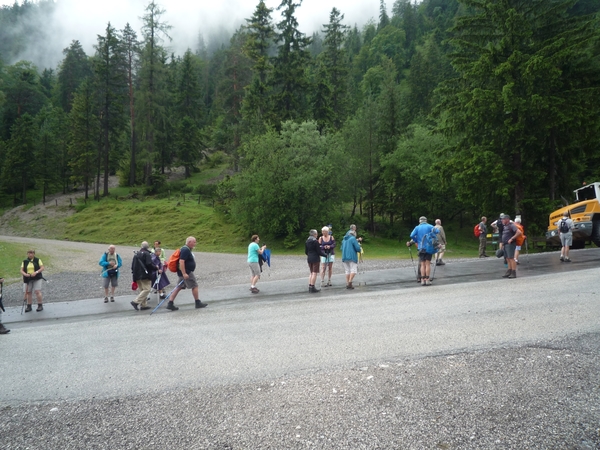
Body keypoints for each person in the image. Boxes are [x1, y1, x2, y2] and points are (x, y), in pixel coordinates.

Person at [166, 236, 208, 310]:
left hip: (183, 272)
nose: (195, 244)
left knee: (178, 287)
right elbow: (181, 261)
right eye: (194, 242)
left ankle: (170, 303)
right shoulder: (185, 250)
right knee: (194, 285)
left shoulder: (185, 249)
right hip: (186, 272)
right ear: (189, 242)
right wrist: (184, 273)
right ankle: (197, 302)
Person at [407, 216, 440, 286]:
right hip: (428, 248)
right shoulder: (430, 226)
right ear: (426, 220)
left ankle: (422, 280)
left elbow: (411, 235)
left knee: (422, 264)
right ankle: (427, 280)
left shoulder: (417, 227)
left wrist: (416, 240)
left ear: (420, 221)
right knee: (427, 264)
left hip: (420, 248)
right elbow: (437, 231)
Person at [130, 241, 156, 311]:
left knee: (142, 289)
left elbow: (133, 266)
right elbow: (149, 264)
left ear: (141, 246)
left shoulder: (136, 254)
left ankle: (144, 305)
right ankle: (135, 302)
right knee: (147, 289)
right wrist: (155, 267)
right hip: (145, 274)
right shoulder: (147, 254)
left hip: (137, 275)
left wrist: (134, 274)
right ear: (148, 247)